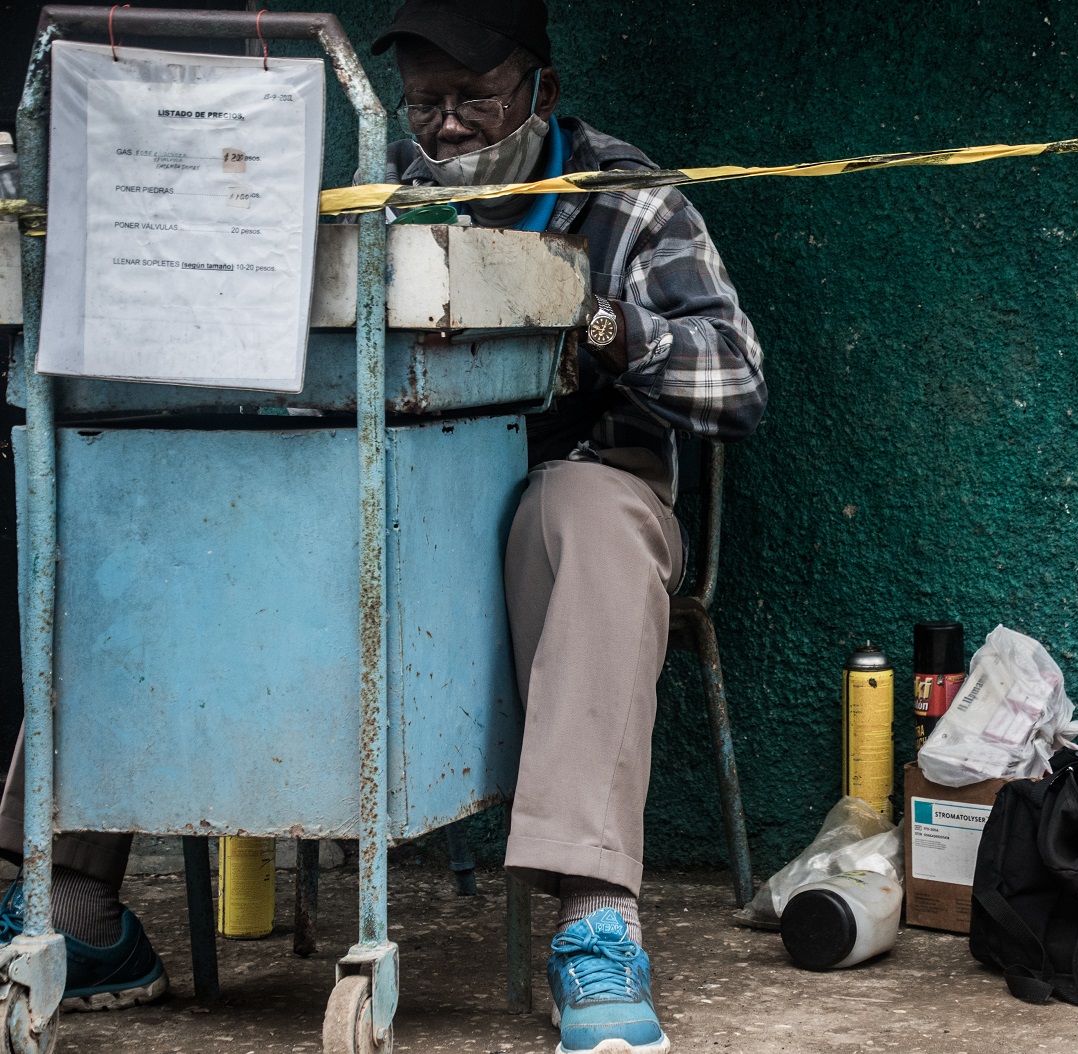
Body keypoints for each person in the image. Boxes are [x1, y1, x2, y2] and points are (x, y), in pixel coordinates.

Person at [0, 2, 765, 1049]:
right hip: (405, 510)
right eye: (426, 102)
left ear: (541, 94)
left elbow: (740, 381)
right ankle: (78, 909)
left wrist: (610, 326)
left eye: (473, 101)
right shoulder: (380, 183)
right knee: (183, 502)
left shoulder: (626, 199)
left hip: (569, 503)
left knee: (581, 515)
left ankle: (595, 919)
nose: (445, 128)